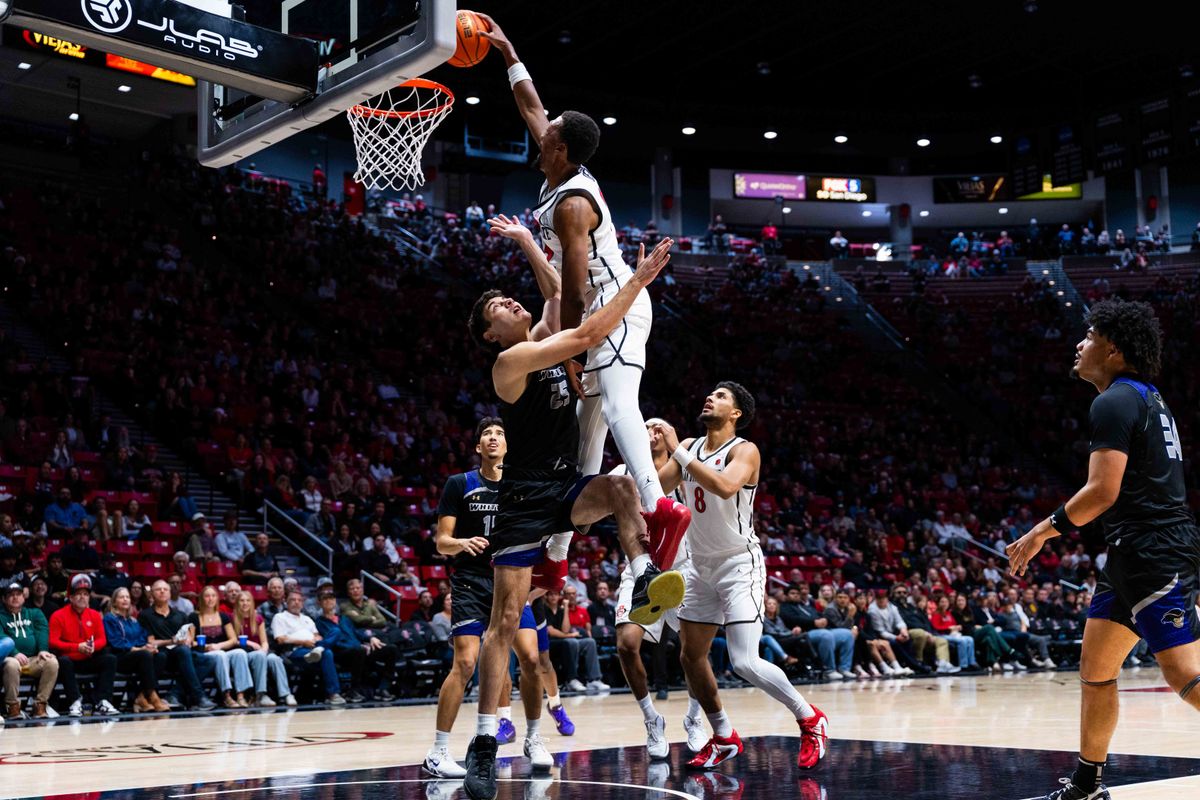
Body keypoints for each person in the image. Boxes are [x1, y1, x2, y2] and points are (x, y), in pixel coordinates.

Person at [462, 223, 682, 797]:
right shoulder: (510, 365)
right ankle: (485, 740)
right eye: (496, 309)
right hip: (521, 499)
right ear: (492, 336)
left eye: (506, 298)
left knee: (619, 487)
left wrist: (528, 244)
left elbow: (561, 298)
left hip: (562, 486)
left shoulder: (535, 335)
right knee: (504, 624)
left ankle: (642, 574)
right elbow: (585, 331)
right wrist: (637, 281)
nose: (507, 302)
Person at [479, 22, 692, 569]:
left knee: (620, 405)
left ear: (561, 147)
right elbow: (530, 104)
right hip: (596, 308)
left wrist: (572, 353)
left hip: (616, 302)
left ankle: (660, 507)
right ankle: (555, 556)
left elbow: (572, 286)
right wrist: (508, 50)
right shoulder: (557, 164)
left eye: (549, 131)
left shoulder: (574, 204)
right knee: (586, 436)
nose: (540, 129)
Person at [1007, 299, 1200, 800]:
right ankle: (1088, 785)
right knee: (1095, 671)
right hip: (1133, 552)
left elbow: (1102, 492)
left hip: (1154, 551)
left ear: (1113, 349)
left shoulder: (1113, 400)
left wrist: (1039, 532)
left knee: (1183, 674)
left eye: (1088, 337)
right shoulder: (1148, 397)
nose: (1080, 344)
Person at [654, 383, 828, 770]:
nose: (709, 398)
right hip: (699, 566)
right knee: (691, 656)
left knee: (744, 662)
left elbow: (725, 486)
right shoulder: (690, 447)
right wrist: (654, 452)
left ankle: (809, 717)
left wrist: (678, 451)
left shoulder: (743, 450)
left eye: (720, 396)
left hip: (739, 564)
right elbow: (656, 490)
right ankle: (723, 736)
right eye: (710, 394)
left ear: (735, 413)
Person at [425, 418, 546, 779]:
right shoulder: (460, 484)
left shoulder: (520, 485)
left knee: (532, 658)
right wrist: (462, 543)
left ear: (508, 446)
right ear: (478, 447)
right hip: (471, 583)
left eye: (500, 434)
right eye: (486, 435)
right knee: (464, 664)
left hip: (510, 583)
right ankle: (438, 751)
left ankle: (535, 739)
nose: (493, 438)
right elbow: (441, 541)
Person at [613, 418, 706, 757]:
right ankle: (652, 720)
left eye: (659, 428)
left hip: (685, 567)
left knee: (694, 652)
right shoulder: (624, 469)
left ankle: (695, 718)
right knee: (626, 644)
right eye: (646, 427)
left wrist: (681, 449)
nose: (651, 432)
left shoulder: (685, 464)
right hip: (642, 565)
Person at [138, 580, 216, 711]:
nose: (162, 591)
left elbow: (189, 635)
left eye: (165, 589)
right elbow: (150, 642)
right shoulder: (145, 615)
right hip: (161, 656)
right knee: (182, 651)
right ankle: (199, 696)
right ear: (152, 593)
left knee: (209, 660)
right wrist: (172, 641)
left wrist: (188, 640)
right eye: (158, 589)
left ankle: (174, 694)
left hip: (182, 655)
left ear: (169, 593)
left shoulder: (180, 614)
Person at [49, 574, 120, 716]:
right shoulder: (58, 615)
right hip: (69, 659)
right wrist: (77, 647)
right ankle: (75, 702)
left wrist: (93, 646)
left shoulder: (94, 615)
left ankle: (102, 701)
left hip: (89, 657)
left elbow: (102, 640)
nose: (83, 597)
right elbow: (52, 642)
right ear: (70, 598)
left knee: (110, 659)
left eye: (86, 594)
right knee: (63, 661)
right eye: (79, 594)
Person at [315, 590, 396, 703]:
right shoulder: (319, 622)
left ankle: (383, 689)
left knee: (391, 649)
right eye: (325, 599)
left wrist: (370, 638)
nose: (329, 601)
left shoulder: (344, 618)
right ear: (319, 603)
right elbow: (332, 641)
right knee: (358, 651)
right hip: (340, 653)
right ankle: (353, 690)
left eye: (332, 598)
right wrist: (360, 646)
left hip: (359, 649)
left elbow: (356, 633)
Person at [271, 590, 345, 705]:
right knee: (328, 653)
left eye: (299, 600)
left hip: (313, 648)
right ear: (286, 602)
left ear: (302, 603)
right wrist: (303, 642)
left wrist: (317, 640)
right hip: (295, 651)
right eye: (293, 600)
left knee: (335, 631)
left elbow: (317, 635)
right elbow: (280, 639)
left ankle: (320, 649)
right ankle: (333, 694)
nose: (296, 602)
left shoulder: (307, 619)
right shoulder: (280, 617)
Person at [103, 587, 171, 712]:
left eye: (127, 597)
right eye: (121, 597)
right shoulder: (109, 618)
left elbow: (142, 637)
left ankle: (141, 696)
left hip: (138, 656)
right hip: (119, 657)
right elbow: (115, 642)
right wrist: (137, 649)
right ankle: (152, 695)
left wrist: (148, 647)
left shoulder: (133, 620)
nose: (125, 599)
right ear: (114, 601)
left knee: (160, 656)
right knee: (145, 655)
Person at [189, 585, 253, 709]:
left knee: (240, 652)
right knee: (220, 654)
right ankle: (226, 695)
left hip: (220, 649)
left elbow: (233, 639)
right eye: (207, 596)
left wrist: (218, 645)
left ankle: (241, 695)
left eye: (213, 596)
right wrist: (208, 646)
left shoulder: (223, 616)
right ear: (202, 599)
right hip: (204, 653)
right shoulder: (194, 617)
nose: (210, 599)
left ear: (217, 598)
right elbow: (191, 642)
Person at [1, 580, 59, 719]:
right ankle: (12, 707)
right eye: (11, 595)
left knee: (52, 662)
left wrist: (43, 650)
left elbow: (42, 631)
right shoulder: (1, 616)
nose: (15, 597)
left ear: (24, 596)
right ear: (3, 599)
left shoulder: (35, 613)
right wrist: (14, 653)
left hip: (33, 659)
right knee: (11, 664)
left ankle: (40, 705)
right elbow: (1, 637)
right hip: (10, 658)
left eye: (18, 594)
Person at [231, 590, 294, 706]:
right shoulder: (232, 618)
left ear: (252, 603)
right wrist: (251, 643)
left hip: (260, 651)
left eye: (248, 600)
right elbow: (233, 639)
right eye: (242, 601)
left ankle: (286, 694)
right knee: (260, 656)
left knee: (274, 659)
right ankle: (261, 694)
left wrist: (264, 649)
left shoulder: (258, 618)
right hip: (244, 654)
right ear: (237, 603)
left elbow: (264, 641)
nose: (245, 603)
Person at [544, 587, 606, 694]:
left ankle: (594, 679)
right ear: (546, 596)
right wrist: (570, 635)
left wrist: (566, 608)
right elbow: (551, 631)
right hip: (550, 642)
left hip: (563, 640)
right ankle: (571, 679)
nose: (553, 597)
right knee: (571, 642)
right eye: (550, 594)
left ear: (559, 596)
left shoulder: (561, 610)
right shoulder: (544, 610)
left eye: (555, 594)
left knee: (590, 642)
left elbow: (565, 629)